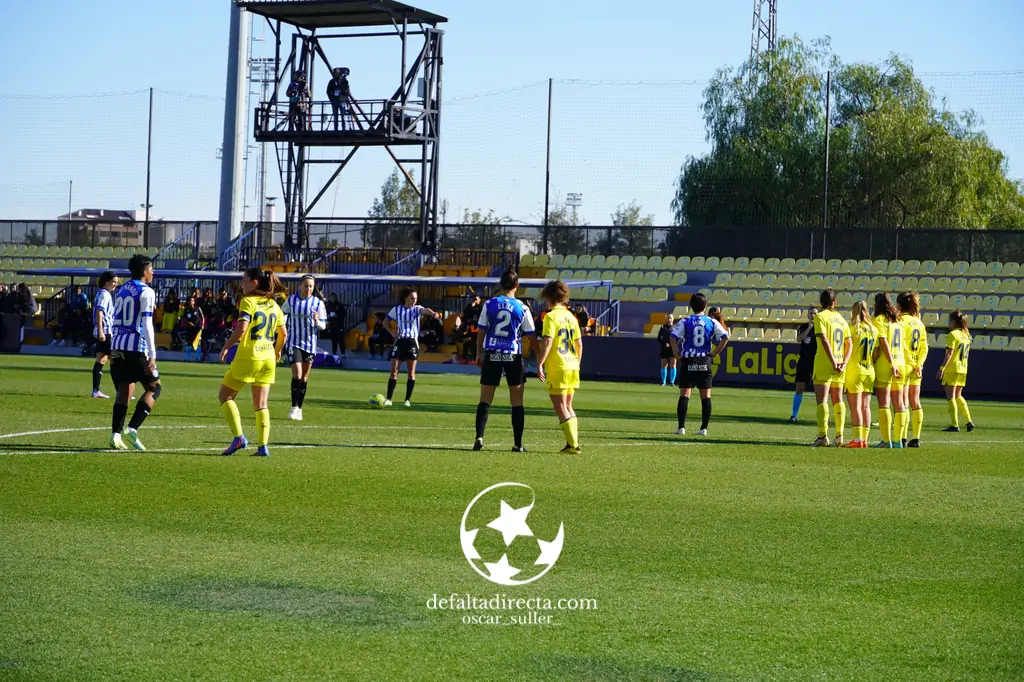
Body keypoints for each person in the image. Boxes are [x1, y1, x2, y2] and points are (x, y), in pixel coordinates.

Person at [219, 268, 288, 458]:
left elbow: (241, 329)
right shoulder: (273, 304)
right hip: (268, 358)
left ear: (254, 283)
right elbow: (283, 334)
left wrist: (226, 346)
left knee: (225, 395)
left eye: (244, 280)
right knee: (261, 403)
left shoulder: (248, 301)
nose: (242, 284)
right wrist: (277, 350)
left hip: (250, 356)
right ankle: (263, 446)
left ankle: (239, 438)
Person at [472, 269, 540, 452]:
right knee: (517, 400)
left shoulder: (490, 304)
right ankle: (518, 444)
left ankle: (479, 437)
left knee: (485, 398)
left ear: (501, 285)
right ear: (517, 285)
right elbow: (531, 336)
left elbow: (481, 331)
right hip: (513, 355)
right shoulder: (522, 307)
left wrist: (479, 354)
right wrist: (540, 356)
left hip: (492, 352)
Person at [108, 255, 161, 451]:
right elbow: (146, 323)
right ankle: (132, 428)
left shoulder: (121, 290)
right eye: (151, 269)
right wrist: (152, 353)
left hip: (117, 345)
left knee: (124, 389)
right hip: (136, 347)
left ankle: (115, 435)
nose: (153, 272)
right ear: (144, 272)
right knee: (155, 387)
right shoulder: (147, 291)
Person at [671, 293, 729, 436]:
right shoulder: (711, 321)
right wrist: (715, 353)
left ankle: (681, 427)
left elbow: (673, 337)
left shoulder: (686, 321)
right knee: (706, 396)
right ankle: (704, 428)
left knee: (685, 395)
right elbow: (725, 336)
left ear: (691, 306)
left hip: (688, 360)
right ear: (705, 306)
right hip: (704, 361)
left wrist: (676, 354)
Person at [535, 280, 583, 454]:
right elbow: (579, 344)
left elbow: (548, 341)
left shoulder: (550, 316)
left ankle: (573, 445)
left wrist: (540, 363)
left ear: (548, 297)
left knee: (561, 406)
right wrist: (576, 363)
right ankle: (573, 442)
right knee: (568, 406)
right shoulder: (571, 316)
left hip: (558, 366)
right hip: (572, 365)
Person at [383, 288, 440, 407]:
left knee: (411, 373)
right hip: (400, 341)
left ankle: (407, 400)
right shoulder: (396, 309)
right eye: (412, 298)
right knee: (394, 371)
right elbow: (385, 322)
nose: (414, 300)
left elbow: (425, 310)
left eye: (416, 298)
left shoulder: (416, 309)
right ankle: (389, 399)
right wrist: (392, 333)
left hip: (412, 342)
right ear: (405, 298)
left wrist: (433, 313)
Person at [283, 274, 327, 421]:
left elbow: (323, 325)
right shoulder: (291, 301)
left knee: (304, 378)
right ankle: (293, 406)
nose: (308, 288)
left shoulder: (318, 303)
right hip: (293, 342)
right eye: (306, 285)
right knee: (297, 374)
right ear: (300, 286)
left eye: (311, 286)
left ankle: (299, 408)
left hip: (310, 344)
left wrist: (317, 321)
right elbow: (282, 315)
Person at [811, 289, 851, 447]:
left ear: (821, 302)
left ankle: (822, 436)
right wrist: (844, 362)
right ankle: (840, 435)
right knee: (838, 399)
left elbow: (824, 340)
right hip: (841, 363)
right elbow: (849, 344)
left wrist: (833, 361)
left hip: (825, 362)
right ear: (835, 302)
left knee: (822, 400)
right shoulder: (841, 319)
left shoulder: (820, 317)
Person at [872, 292, 905, 448]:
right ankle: (898, 441)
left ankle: (886, 441)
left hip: (886, 365)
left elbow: (882, 343)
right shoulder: (898, 321)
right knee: (899, 404)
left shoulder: (878, 320)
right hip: (901, 363)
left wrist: (891, 364)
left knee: (884, 403)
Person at [844, 300, 878, 448]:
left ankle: (857, 439)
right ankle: (864, 439)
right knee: (866, 407)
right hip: (869, 369)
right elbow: (876, 352)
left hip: (855, 370)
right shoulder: (874, 330)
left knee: (855, 407)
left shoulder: (851, 329)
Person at [898, 292, 929, 447]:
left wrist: (910, 362)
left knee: (903, 402)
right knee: (915, 402)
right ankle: (916, 438)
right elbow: (924, 347)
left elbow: (902, 345)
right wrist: (919, 364)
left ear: (899, 306)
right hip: (917, 368)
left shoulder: (900, 321)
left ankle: (902, 438)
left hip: (904, 365)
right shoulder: (919, 323)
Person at [937, 310, 974, 433]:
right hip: (963, 369)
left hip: (952, 368)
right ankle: (969, 421)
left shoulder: (953, 334)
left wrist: (942, 369)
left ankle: (954, 424)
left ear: (953, 322)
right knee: (958, 395)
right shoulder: (966, 335)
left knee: (951, 396)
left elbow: (949, 354)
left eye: (949, 321)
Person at [91, 271, 119, 399]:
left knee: (107, 360)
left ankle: (98, 390)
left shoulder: (103, 294)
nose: (115, 284)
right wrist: (101, 331)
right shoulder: (104, 295)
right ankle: (118, 391)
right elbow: (99, 312)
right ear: (106, 282)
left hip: (106, 331)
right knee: (112, 360)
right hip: (106, 332)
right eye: (113, 282)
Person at [790, 306, 818, 422]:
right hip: (804, 360)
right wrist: (809, 328)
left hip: (817, 361)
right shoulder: (803, 327)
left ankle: (823, 417)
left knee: (820, 390)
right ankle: (794, 415)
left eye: (815, 313)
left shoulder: (822, 328)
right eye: (811, 313)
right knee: (800, 388)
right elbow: (799, 339)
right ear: (808, 315)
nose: (813, 315)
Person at [176, 296, 205, 360]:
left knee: (198, 342)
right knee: (189, 343)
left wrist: (202, 324)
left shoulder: (198, 308)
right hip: (189, 328)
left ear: (194, 302)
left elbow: (202, 316)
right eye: (189, 301)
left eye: (192, 300)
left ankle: (198, 358)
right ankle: (187, 358)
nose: (190, 302)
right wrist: (188, 322)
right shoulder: (186, 310)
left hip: (197, 328)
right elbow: (184, 318)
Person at [326, 67, 351, 131]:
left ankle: (344, 128)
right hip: (335, 101)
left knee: (343, 116)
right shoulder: (332, 82)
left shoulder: (344, 81)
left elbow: (347, 91)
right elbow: (328, 91)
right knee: (335, 116)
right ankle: (336, 128)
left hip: (342, 100)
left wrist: (344, 96)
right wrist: (332, 98)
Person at [657, 313, 677, 387]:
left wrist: (673, 344)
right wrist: (665, 343)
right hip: (664, 348)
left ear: (673, 319)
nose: (669, 320)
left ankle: (672, 382)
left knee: (673, 365)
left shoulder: (676, 328)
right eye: (668, 318)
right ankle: (663, 381)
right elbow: (659, 338)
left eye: (670, 318)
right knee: (664, 365)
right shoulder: (663, 327)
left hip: (673, 349)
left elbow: (679, 338)